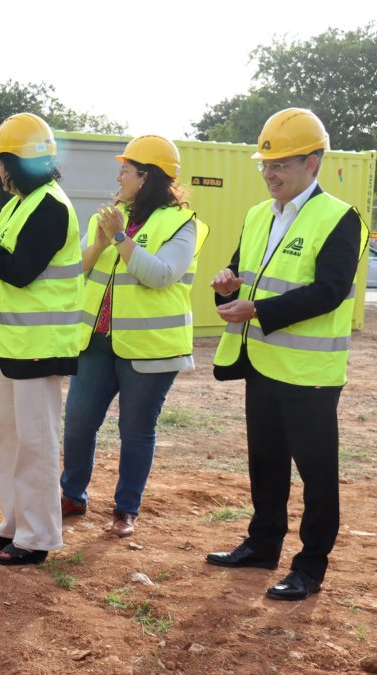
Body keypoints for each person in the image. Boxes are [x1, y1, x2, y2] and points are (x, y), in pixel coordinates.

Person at [205, 108, 366, 601]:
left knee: (317, 473)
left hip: (310, 372)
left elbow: (331, 291)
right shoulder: (258, 215)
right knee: (267, 461)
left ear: (313, 163)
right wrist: (226, 286)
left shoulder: (340, 218)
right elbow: (238, 273)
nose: (269, 173)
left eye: (281, 164)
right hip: (262, 362)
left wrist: (259, 309)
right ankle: (262, 544)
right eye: (265, 164)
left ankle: (310, 566)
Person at [0, 113, 83, 565]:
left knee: (37, 442)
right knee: (10, 439)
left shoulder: (50, 207)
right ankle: (15, 523)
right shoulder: (21, 204)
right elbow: (5, 261)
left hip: (39, 348)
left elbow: (21, 271)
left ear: (18, 163)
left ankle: (39, 535)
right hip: (13, 345)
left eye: (3, 162)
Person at [60, 136, 208, 538]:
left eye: (126, 169)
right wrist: (104, 241)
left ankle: (126, 509)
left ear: (147, 177)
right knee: (77, 421)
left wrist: (122, 240)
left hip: (150, 348)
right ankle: (71, 494)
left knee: (136, 429)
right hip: (97, 339)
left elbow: (161, 275)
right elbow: (79, 270)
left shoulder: (183, 224)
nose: (118, 175)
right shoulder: (106, 218)